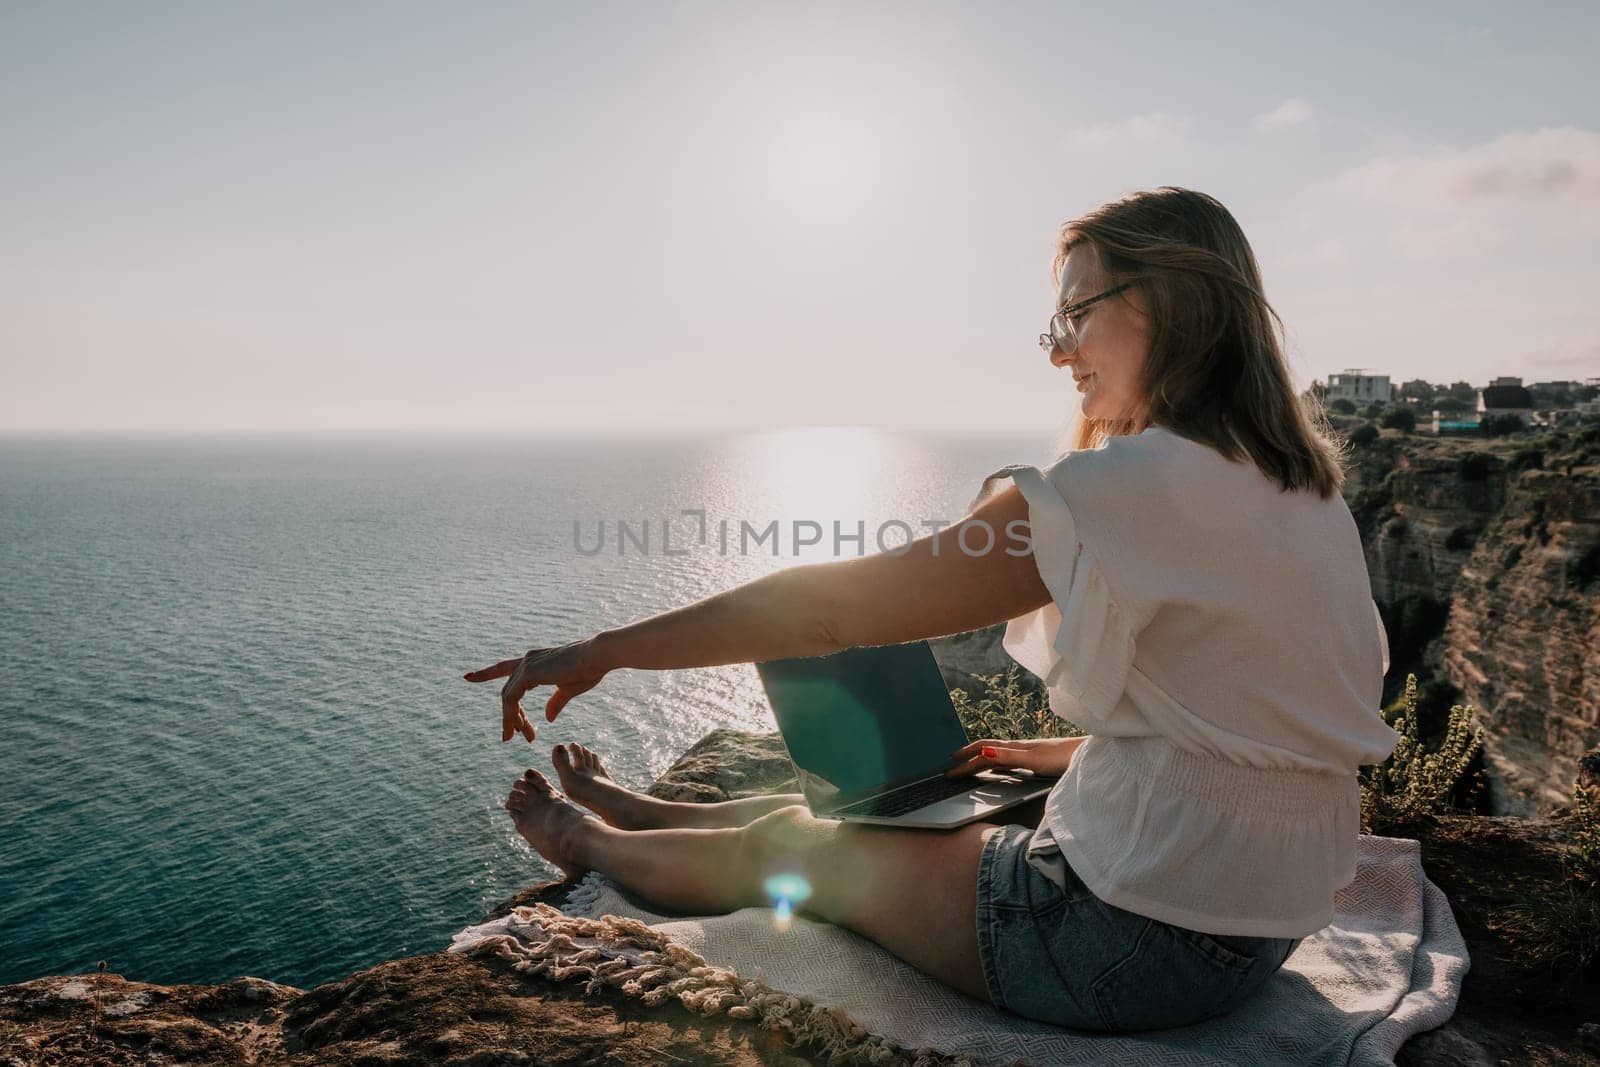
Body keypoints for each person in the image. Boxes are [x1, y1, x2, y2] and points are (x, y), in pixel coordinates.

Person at [464, 186, 1398, 1033]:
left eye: (1077, 311)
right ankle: (639, 812)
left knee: (803, 845)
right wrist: (1058, 754)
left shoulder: (1128, 488)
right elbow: (1264, 721)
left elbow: (829, 613)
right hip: (1256, 933)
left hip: (1125, 947)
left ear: (1179, 301)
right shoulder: (1302, 493)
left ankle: (584, 839)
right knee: (893, 806)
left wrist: (606, 648)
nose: (1061, 350)